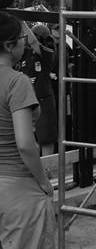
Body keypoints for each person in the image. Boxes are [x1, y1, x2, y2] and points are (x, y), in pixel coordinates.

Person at [0, 12, 55, 249]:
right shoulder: (16, 82)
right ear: (10, 45)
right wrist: (44, 181)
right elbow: (25, 144)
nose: (26, 44)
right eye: (23, 39)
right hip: (18, 189)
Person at [17, 23, 58, 158]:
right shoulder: (24, 53)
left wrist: (22, 23)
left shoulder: (47, 52)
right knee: (27, 139)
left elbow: (34, 42)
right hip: (26, 102)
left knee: (45, 139)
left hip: (43, 100)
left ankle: (47, 167)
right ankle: (33, 166)